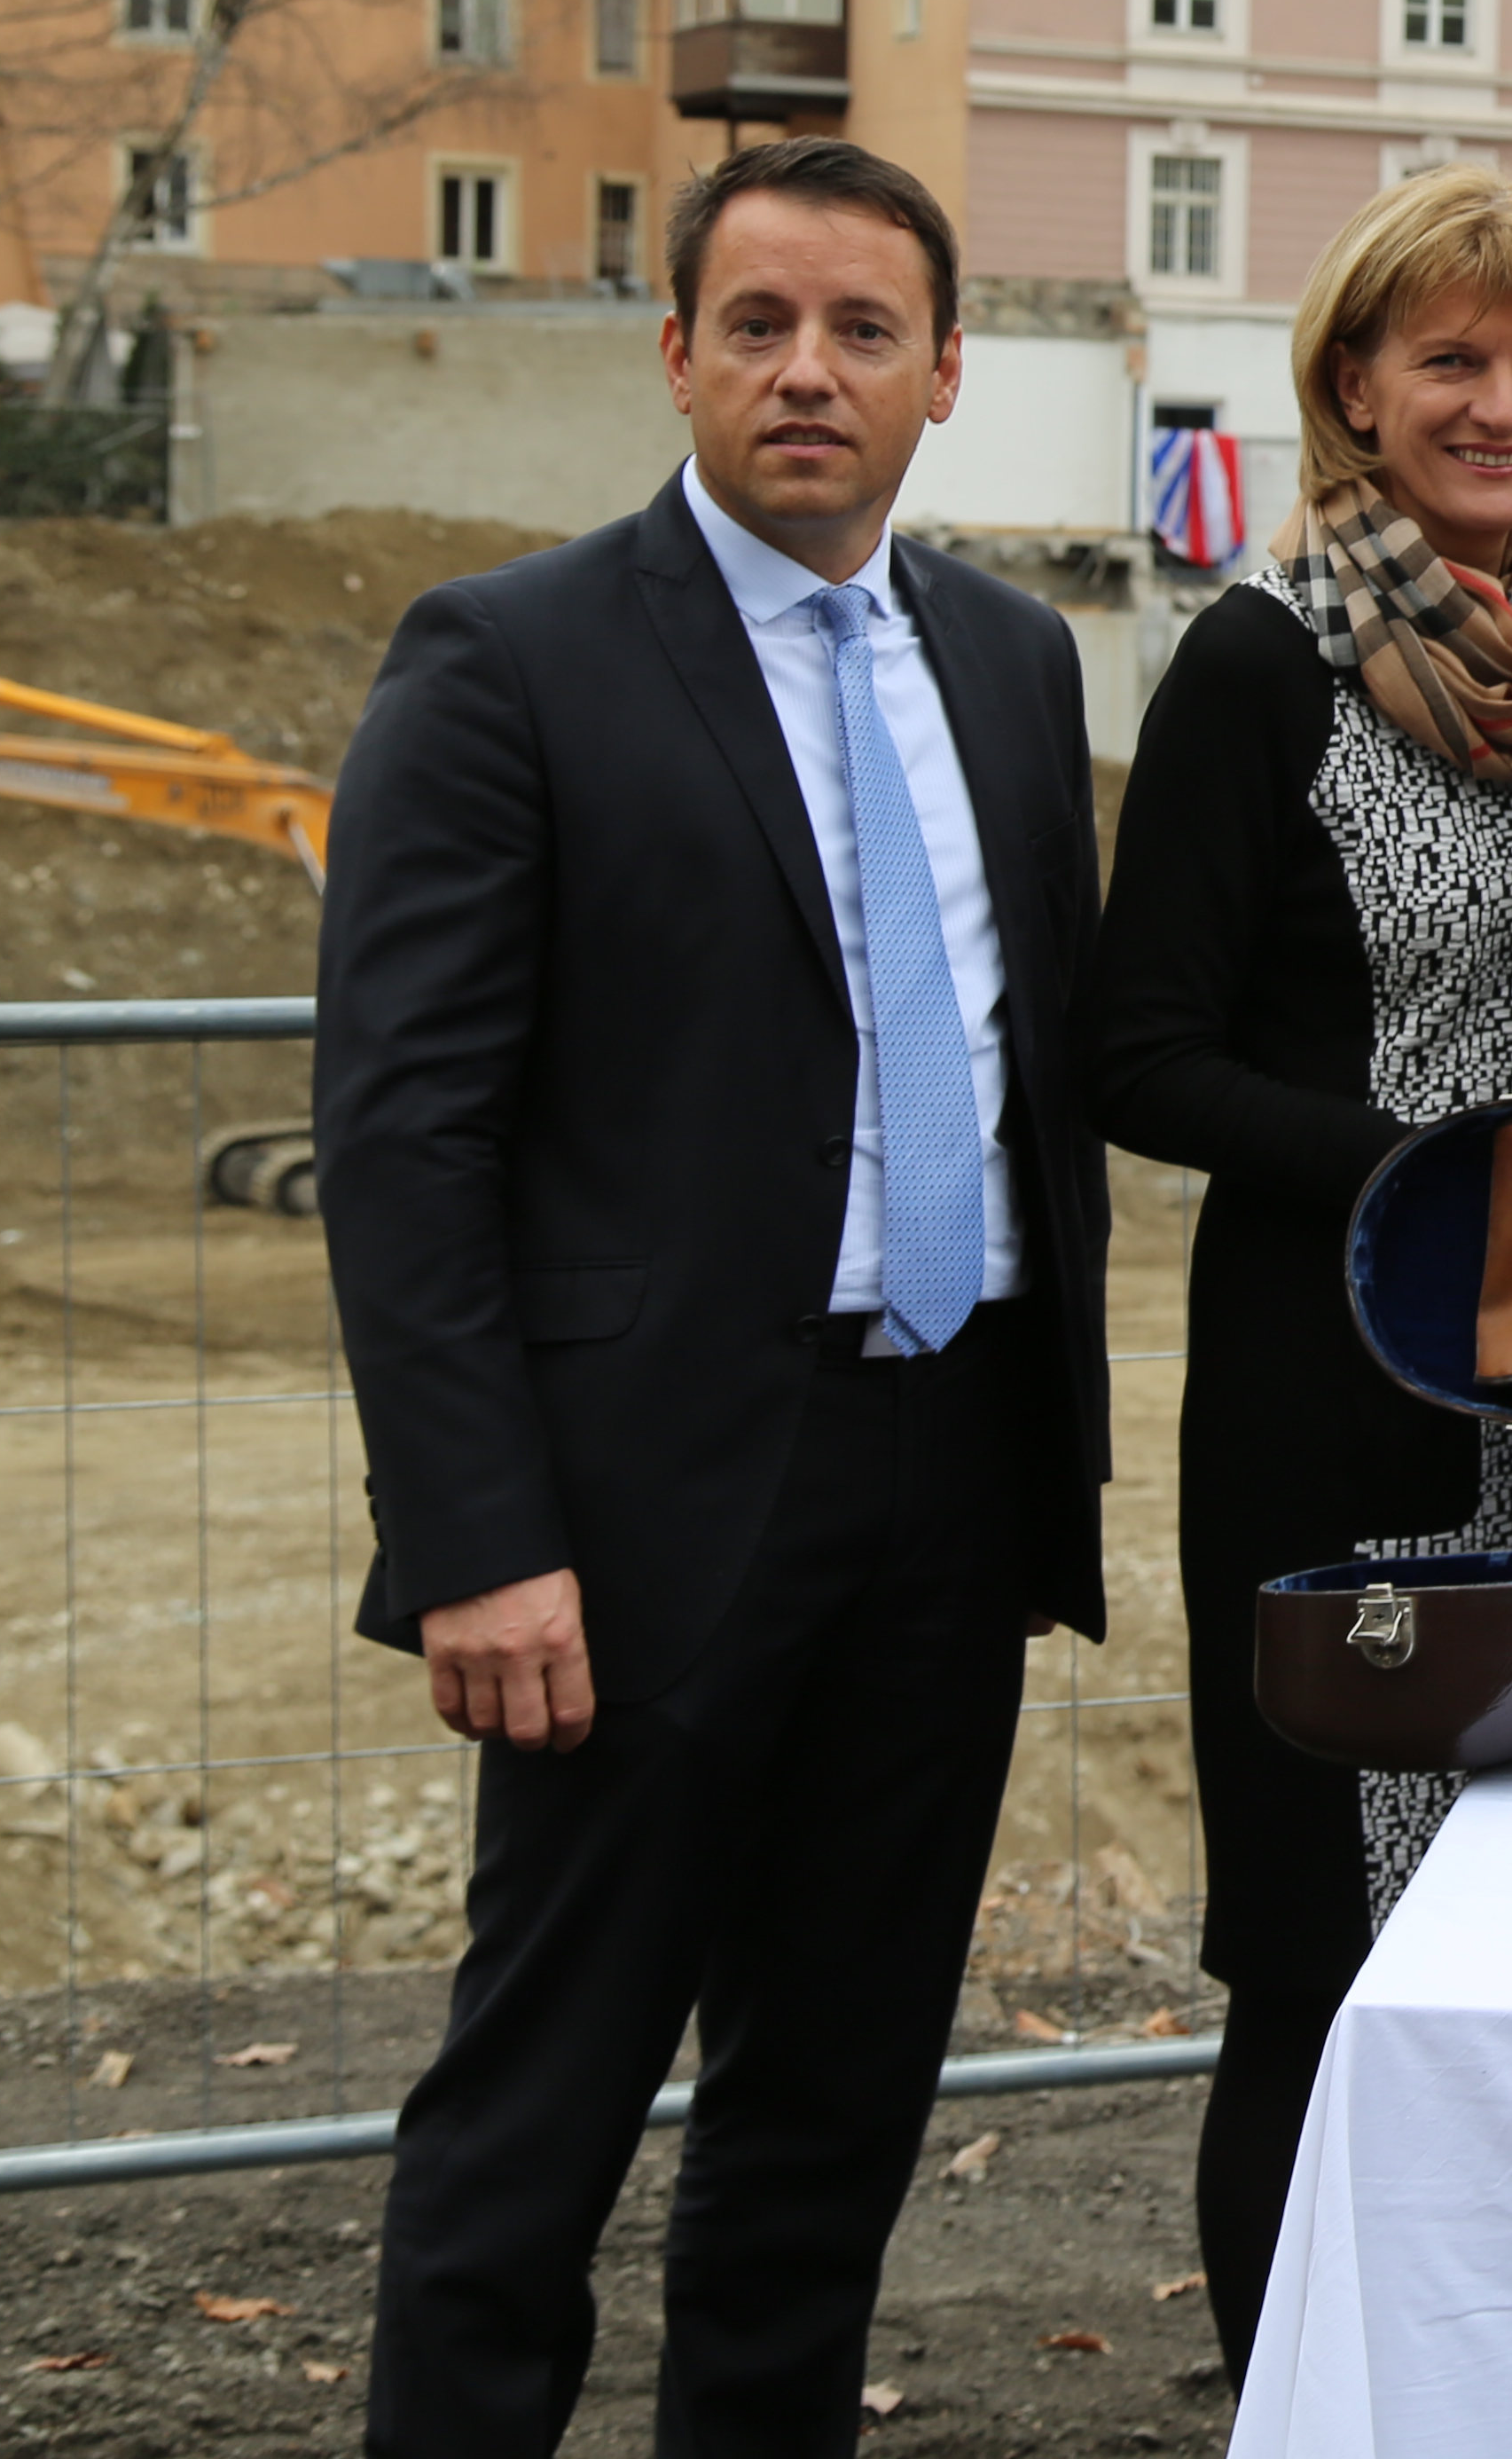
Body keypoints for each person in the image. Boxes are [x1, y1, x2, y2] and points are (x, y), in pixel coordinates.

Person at [318, 136, 1109, 2459]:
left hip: (947, 1484)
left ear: (944, 374)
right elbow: (406, 1135)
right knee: (531, 2128)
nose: (807, 372)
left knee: (833, 2121)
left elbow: (1029, 1056)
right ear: (672, 352)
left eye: (864, 331)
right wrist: (476, 1534)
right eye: (756, 324)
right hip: (639, 1517)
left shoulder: (1015, 659)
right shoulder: (510, 658)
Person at [1084, 167, 1512, 2381]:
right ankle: (1299, 2406)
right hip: (1339, 1393)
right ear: (1350, 388)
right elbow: (1143, 1049)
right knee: (1321, 1950)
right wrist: (1437, 1177)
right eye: (1449, 362)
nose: (1499, 404)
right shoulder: (1257, 654)